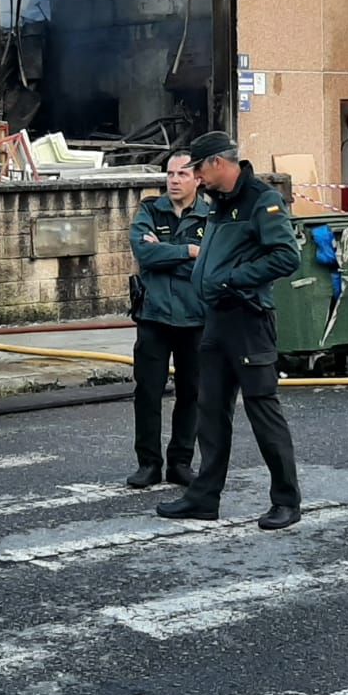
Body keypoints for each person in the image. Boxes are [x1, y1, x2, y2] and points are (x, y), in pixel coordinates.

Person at [157, 131, 303, 530]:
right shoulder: (219, 204)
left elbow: (287, 256)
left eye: (199, 169)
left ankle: (286, 501)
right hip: (217, 321)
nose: (197, 178)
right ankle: (204, 498)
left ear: (219, 163)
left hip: (248, 319)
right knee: (211, 412)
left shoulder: (261, 200)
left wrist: (234, 279)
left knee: (262, 409)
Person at [126, 150, 210, 489]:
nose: (174, 180)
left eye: (182, 175)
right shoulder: (149, 209)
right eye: (170, 174)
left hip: (195, 317)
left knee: (192, 392)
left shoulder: (211, 215)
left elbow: (211, 264)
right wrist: (188, 251)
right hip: (154, 316)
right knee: (148, 392)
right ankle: (148, 463)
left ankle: (180, 462)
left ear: (198, 180)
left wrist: (166, 252)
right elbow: (144, 254)